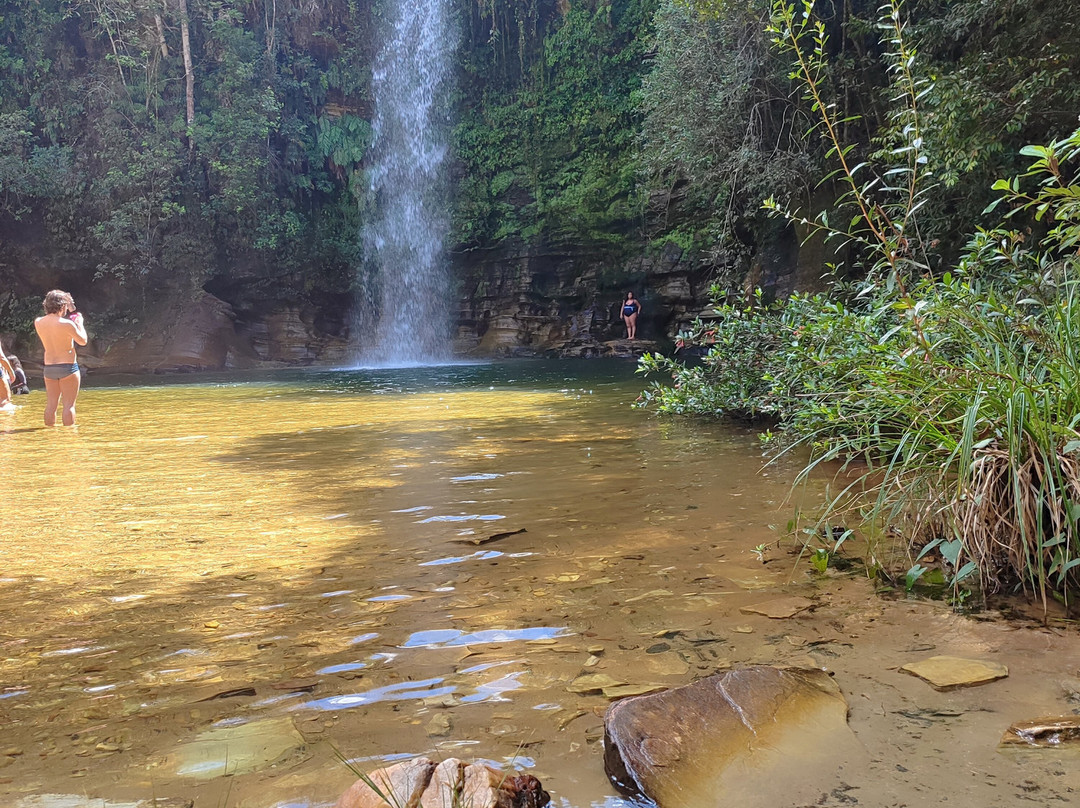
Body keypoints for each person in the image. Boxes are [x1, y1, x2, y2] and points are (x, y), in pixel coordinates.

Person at [34, 289, 87, 426]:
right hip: (68, 368)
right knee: (69, 406)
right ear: (62, 305)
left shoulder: (38, 322)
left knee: (51, 406)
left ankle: (50, 437)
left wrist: (68, 309)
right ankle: (68, 439)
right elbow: (83, 341)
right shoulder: (67, 324)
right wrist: (79, 322)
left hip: (49, 368)